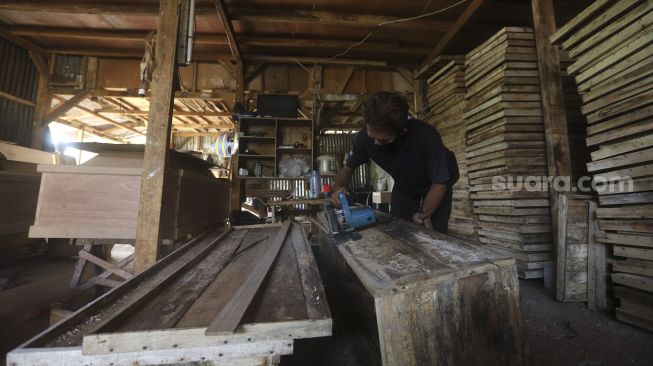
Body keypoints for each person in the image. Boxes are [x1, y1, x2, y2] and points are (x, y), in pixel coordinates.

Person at [331, 91, 459, 233]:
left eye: (383, 140)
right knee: (399, 229)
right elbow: (347, 170)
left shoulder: (427, 138)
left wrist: (423, 214)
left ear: (402, 132)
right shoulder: (365, 139)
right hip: (405, 185)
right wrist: (338, 188)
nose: (376, 144)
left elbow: (439, 185)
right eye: (371, 136)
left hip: (436, 184)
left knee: (433, 234)